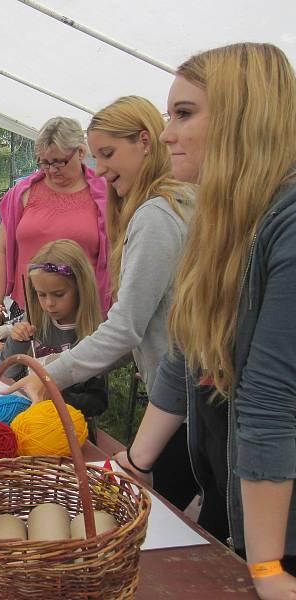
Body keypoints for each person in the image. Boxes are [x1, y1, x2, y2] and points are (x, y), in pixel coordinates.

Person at [111, 43, 296, 598]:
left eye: (184, 114)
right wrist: (136, 461)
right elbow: (185, 351)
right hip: (237, 503)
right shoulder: (226, 218)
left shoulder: (287, 223)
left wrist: (263, 567)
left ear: (243, 116)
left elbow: (270, 398)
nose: (166, 134)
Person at [3, 96, 196, 508]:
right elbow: (138, 330)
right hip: (183, 399)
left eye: (107, 154)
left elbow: (126, 327)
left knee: (176, 518)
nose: (101, 169)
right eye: (96, 156)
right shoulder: (170, 205)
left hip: (183, 403)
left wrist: (48, 374)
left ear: (145, 142)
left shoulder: (156, 215)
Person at [0, 117, 111, 335]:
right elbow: (3, 252)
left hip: (82, 318)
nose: (51, 170)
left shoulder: (105, 196)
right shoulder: (22, 194)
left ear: (81, 153)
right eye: (44, 162)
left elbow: (115, 258)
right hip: (26, 315)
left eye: (59, 162)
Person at [0, 240, 107, 418]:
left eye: (58, 294)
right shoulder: (35, 327)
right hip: (29, 421)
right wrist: (17, 343)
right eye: (41, 295)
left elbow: (98, 402)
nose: (49, 303)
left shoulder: (94, 336)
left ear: (81, 289)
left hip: (69, 432)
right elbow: (6, 376)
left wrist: (51, 393)